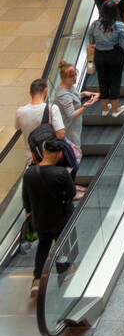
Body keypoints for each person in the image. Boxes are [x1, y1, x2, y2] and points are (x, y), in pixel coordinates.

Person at [22, 138, 75, 296]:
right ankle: (62, 271)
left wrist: (30, 212)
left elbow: (26, 198)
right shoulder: (61, 173)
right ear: (59, 154)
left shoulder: (29, 173)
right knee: (61, 245)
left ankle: (37, 280)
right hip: (59, 217)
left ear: (44, 152)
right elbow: (71, 193)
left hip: (40, 218)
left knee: (43, 246)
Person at [87, 0, 124, 118]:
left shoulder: (95, 24)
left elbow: (91, 39)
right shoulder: (119, 25)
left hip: (100, 55)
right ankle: (115, 109)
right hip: (115, 54)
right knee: (115, 80)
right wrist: (121, 48)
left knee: (102, 79)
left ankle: (105, 108)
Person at [55, 60, 97, 167]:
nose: (75, 78)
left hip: (74, 129)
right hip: (70, 130)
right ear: (64, 78)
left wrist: (83, 94)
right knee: (74, 155)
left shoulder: (69, 87)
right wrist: (85, 106)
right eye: (71, 76)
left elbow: (74, 96)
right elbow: (71, 115)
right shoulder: (63, 95)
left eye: (75, 74)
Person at [16, 78, 65, 159]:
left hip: (32, 158)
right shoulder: (52, 109)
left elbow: (17, 127)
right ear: (45, 90)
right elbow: (61, 134)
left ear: (30, 93)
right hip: (50, 157)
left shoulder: (20, 111)